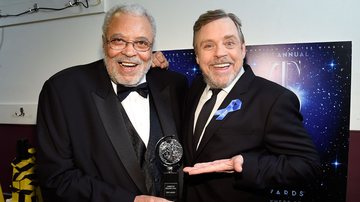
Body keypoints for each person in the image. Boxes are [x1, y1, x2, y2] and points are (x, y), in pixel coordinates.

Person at [35, 4, 187, 202]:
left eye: (141, 43)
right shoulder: (62, 90)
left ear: (151, 47)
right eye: (118, 40)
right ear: (104, 42)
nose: (130, 52)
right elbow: (55, 179)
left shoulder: (175, 84)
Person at [182, 9, 321, 201]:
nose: (220, 53)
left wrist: (246, 165)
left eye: (229, 43)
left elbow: (307, 165)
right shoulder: (194, 88)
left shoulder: (274, 99)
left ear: (243, 49)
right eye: (208, 46)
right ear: (197, 56)